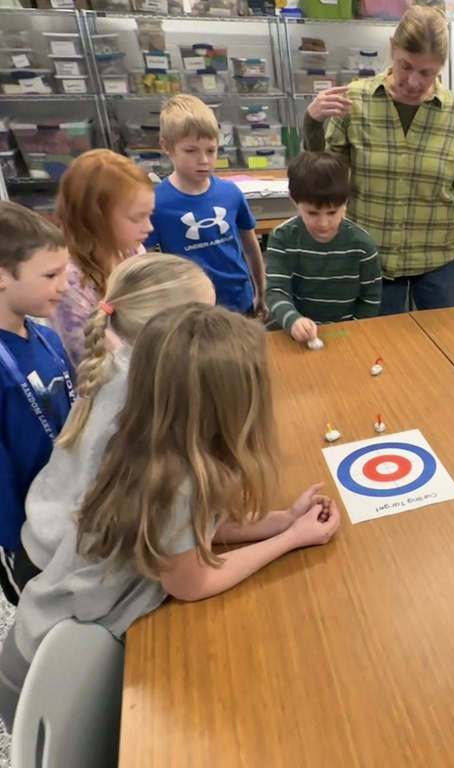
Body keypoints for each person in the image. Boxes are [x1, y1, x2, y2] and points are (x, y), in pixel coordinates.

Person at [0, 303, 342, 726]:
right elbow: (193, 582)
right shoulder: (178, 480)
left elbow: (190, 534)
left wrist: (282, 519)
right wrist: (290, 540)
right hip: (51, 679)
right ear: (229, 403)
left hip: (47, 638)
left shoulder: (150, 436)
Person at [16, 254, 216, 590]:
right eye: (207, 318)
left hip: (50, 538)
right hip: (62, 572)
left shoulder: (121, 365)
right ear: (172, 334)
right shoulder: (146, 402)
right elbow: (184, 573)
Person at [303, 6, 454, 313]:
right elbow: (324, 182)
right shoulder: (355, 101)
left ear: (442, 66)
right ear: (392, 49)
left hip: (437, 259)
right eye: (405, 66)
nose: (413, 81)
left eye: (426, 72)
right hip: (372, 256)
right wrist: (312, 123)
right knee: (378, 350)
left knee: (440, 348)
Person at [0, 203, 74, 606]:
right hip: (24, 535)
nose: (64, 285)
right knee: (40, 615)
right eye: (50, 275)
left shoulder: (47, 338)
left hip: (64, 510)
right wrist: (15, 541)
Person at [146, 94, 265, 316]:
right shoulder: (155, 203)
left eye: (211, 150)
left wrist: (261, 290)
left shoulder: (230, 193)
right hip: (192, 309)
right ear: (166, 146)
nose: (204, 160)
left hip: (240, 301)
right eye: (191, 151)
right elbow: (149, 263)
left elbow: (250, 245)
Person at [52, 149, 154, 368]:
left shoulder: (132, 251)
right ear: (95, 218)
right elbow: (89, 360)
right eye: (137, 218)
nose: (149, 227)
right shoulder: (67, 283)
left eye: (149, 215)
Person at [265, 152, 382, 343]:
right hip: (296, 334)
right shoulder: (282, 238)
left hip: (347, 333)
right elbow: (276, 291)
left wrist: (355, 331)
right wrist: (293, 321)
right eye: (312, 213)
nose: (324, 223)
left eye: (332, 212)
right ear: (294, 201)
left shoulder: (362, 245)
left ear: (346, 202)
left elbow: (370, 299)